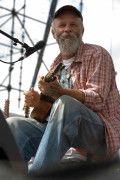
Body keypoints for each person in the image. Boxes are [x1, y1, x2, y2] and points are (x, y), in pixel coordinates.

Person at [7, 5, 120, 174]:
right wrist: (38, 101)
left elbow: (97, 99)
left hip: (100, 135)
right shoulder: (55, 66)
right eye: (62, 25)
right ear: (54, 33)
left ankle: (38, 176)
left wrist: (60, 92)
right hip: (71, 133)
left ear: (82, 31)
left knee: (66, 104)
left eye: (73, 25)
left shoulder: (97, 53)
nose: (67, 29)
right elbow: (54, 116)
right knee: (14, 124)